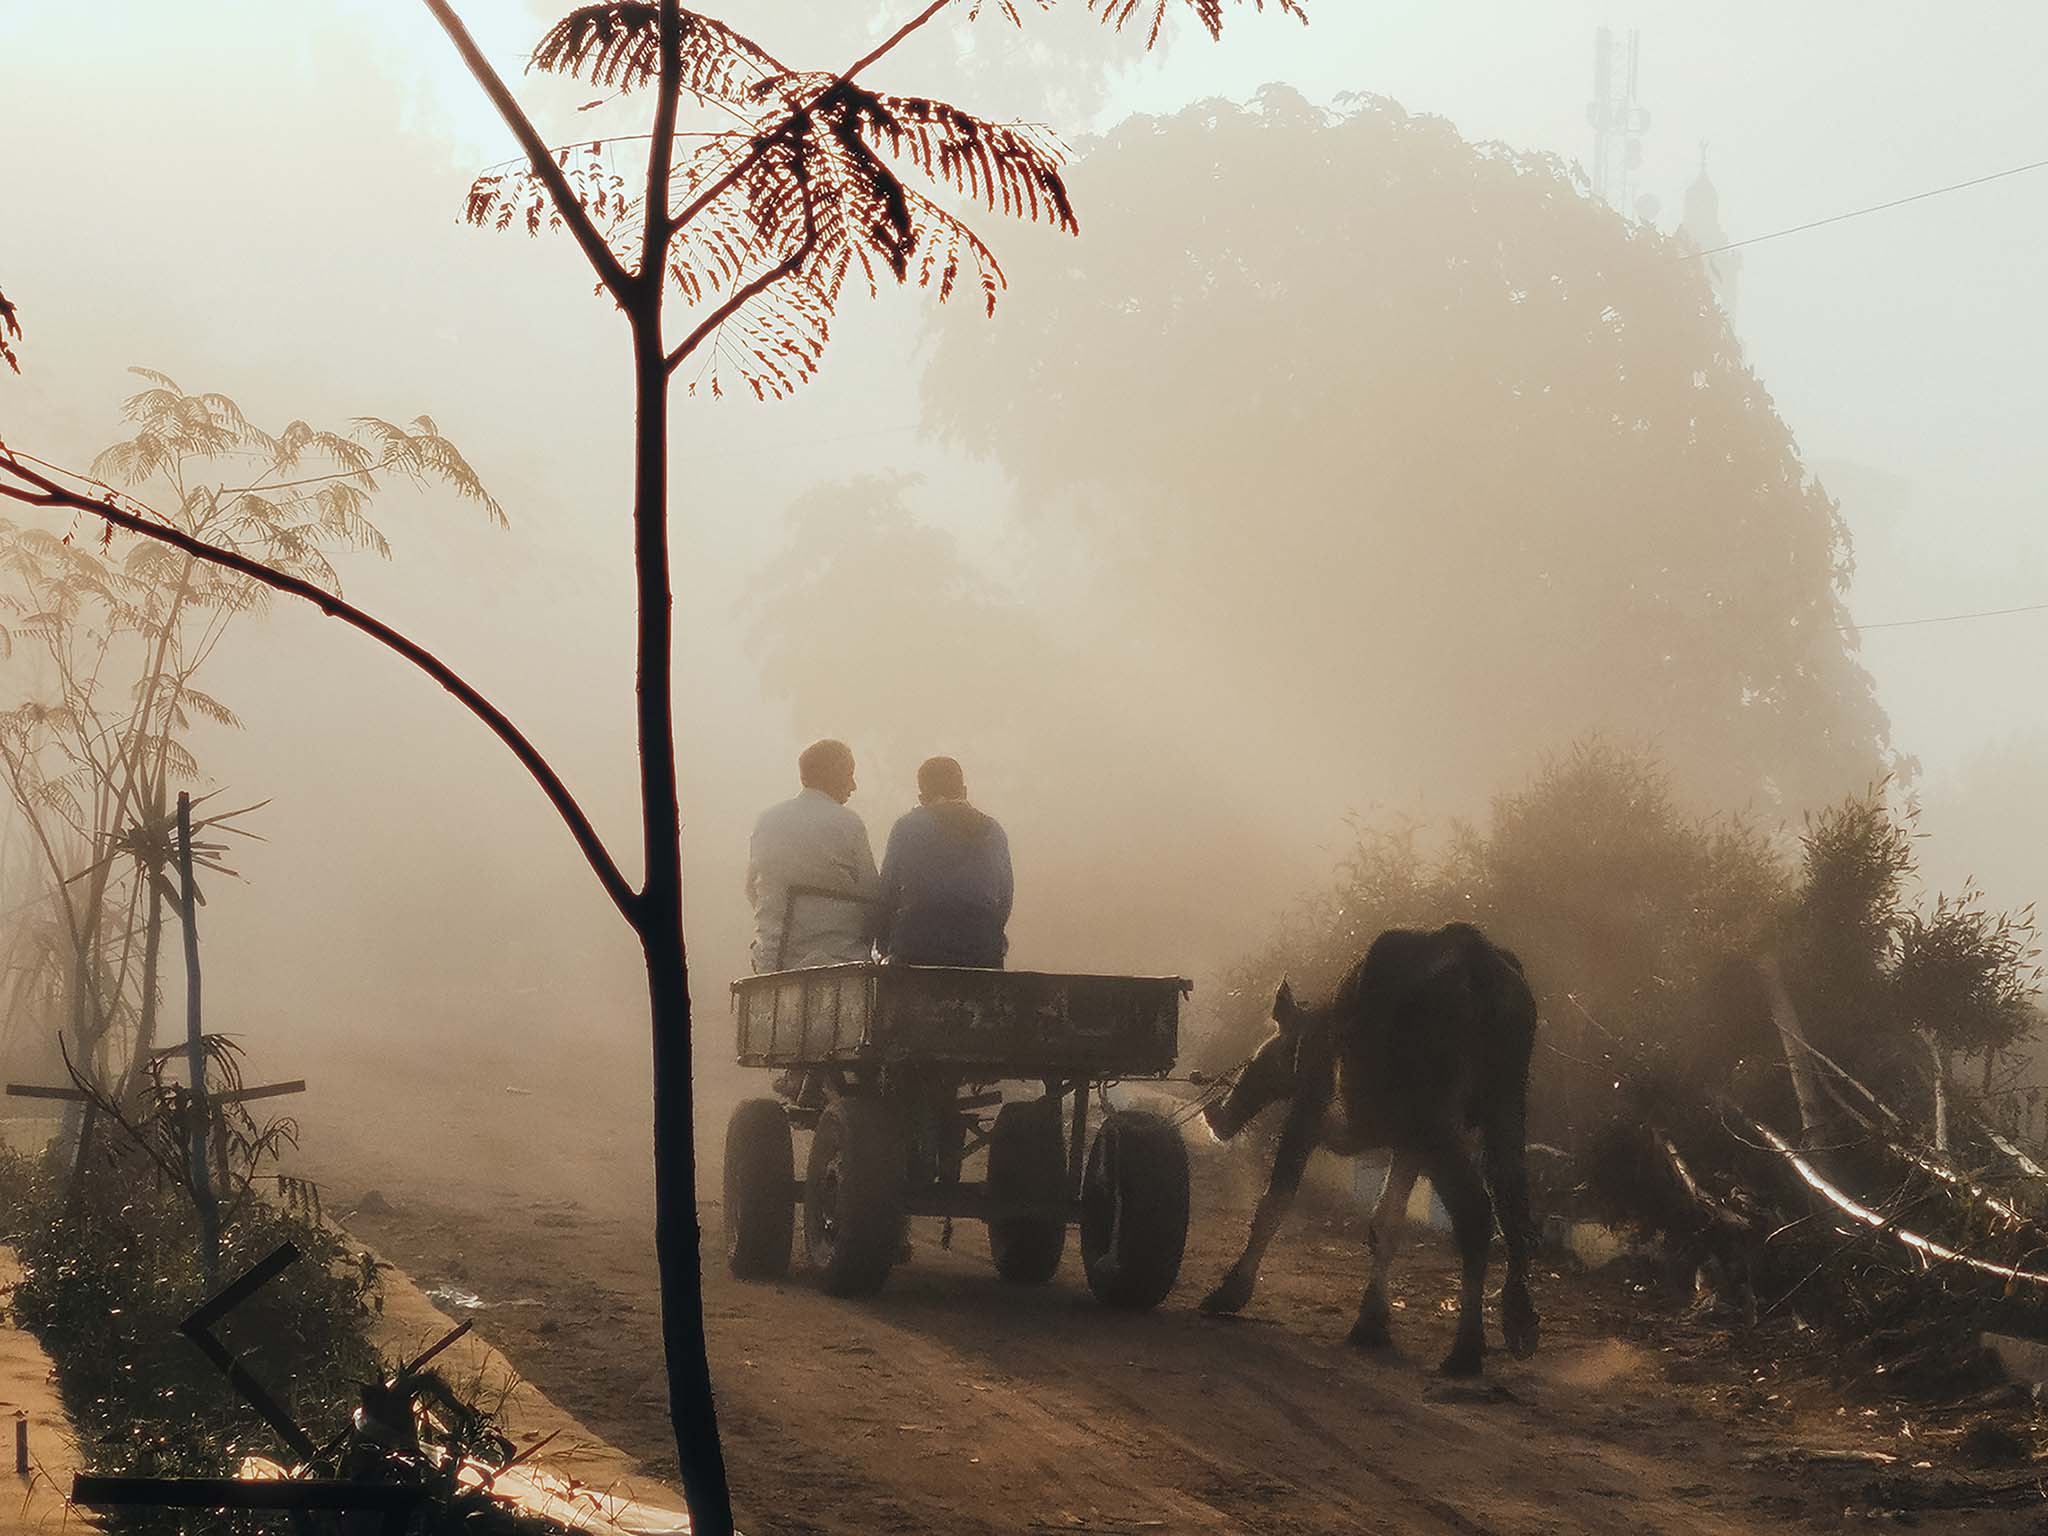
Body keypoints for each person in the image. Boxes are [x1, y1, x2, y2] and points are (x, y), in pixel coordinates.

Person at [746, 739, 880, 972]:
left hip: (775, 961)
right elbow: (872, 895)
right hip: (841, 960)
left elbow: (752, 889)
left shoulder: (766, 821)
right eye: (849, 776)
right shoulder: (848, 823)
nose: (853, 786)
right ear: (833, 776)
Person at [874, 756, 1013, 968]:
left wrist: (884, 947)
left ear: (922, 798)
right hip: (982, 949)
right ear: (964, 791)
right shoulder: (994, 831)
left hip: (918, 947)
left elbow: (887, 893)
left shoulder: (907, 828)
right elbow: (1004, 898)